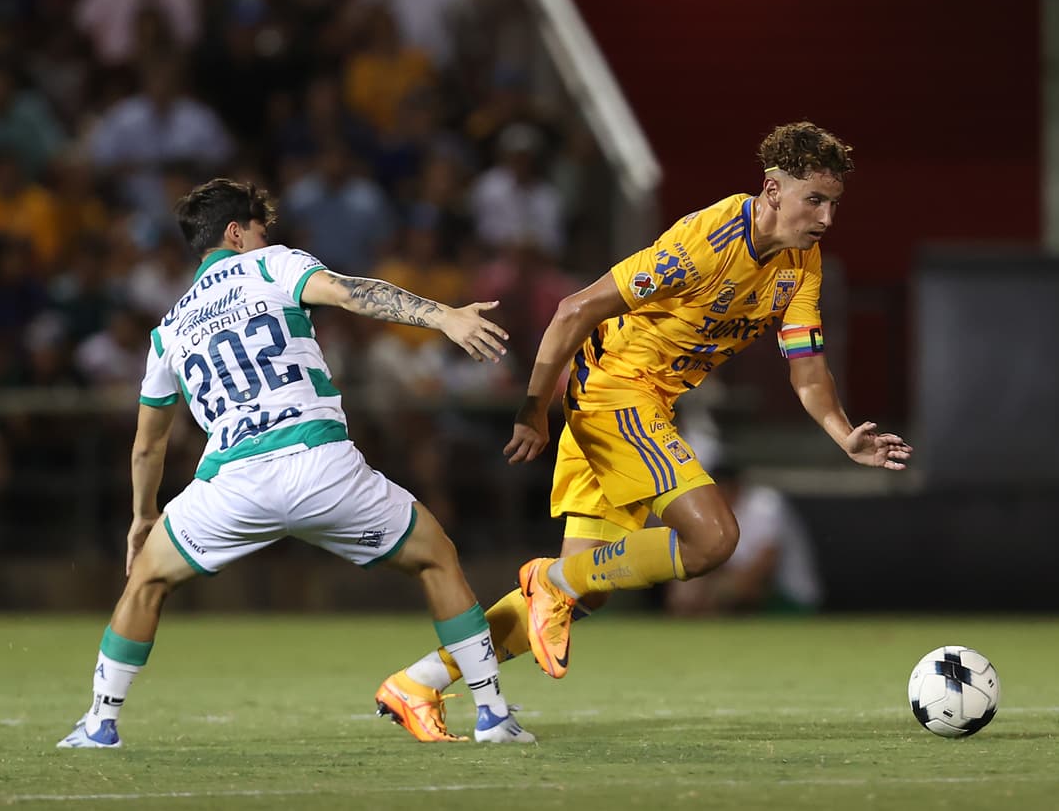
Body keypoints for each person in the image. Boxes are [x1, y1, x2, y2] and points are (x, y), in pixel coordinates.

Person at [379, 121, 912, 708]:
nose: (825, 219)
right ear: (772, 189)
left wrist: (844, 436)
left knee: (590, 589)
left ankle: (420, 683)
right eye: (814, 200)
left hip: (638, 398)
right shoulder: (707, 243)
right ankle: (549, 581)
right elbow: (574, 308)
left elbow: (807, 369)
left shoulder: (799, 263)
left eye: (833, 204)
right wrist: (533, 408)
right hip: (617, 390)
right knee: (712, 539)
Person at [57, 178, 533, 749]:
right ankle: (492, 715)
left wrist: (142, 517)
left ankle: (99, 723)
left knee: (146, 581)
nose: (266, 237)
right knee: (437, 559)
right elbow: (351, 291)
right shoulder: (271, 266)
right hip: (320, 466)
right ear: (237, 233)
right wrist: (443, 317)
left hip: (231, 485)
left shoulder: (170, 330)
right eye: (260, 228)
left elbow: (147, 445)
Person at [663, 466, 824, 616]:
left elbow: (763, 569)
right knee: (688, 587)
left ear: (735, 487)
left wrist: (711, 598)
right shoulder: (708, 514)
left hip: (788, 599)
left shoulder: (765, 505)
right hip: (743, 599)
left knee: (726, 589)